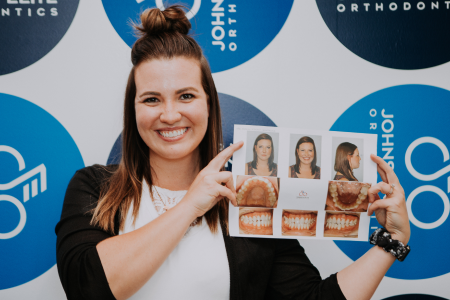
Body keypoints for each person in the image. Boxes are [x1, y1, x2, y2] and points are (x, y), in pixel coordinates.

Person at [55, 5, 411, 300]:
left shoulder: (251, 196)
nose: (169, 114)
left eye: (186, 96)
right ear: (133, 111)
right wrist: (190, 205)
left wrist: (390, 244)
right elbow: (88, 288)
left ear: (209, 106)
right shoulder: (94, 188)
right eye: (151, 99)